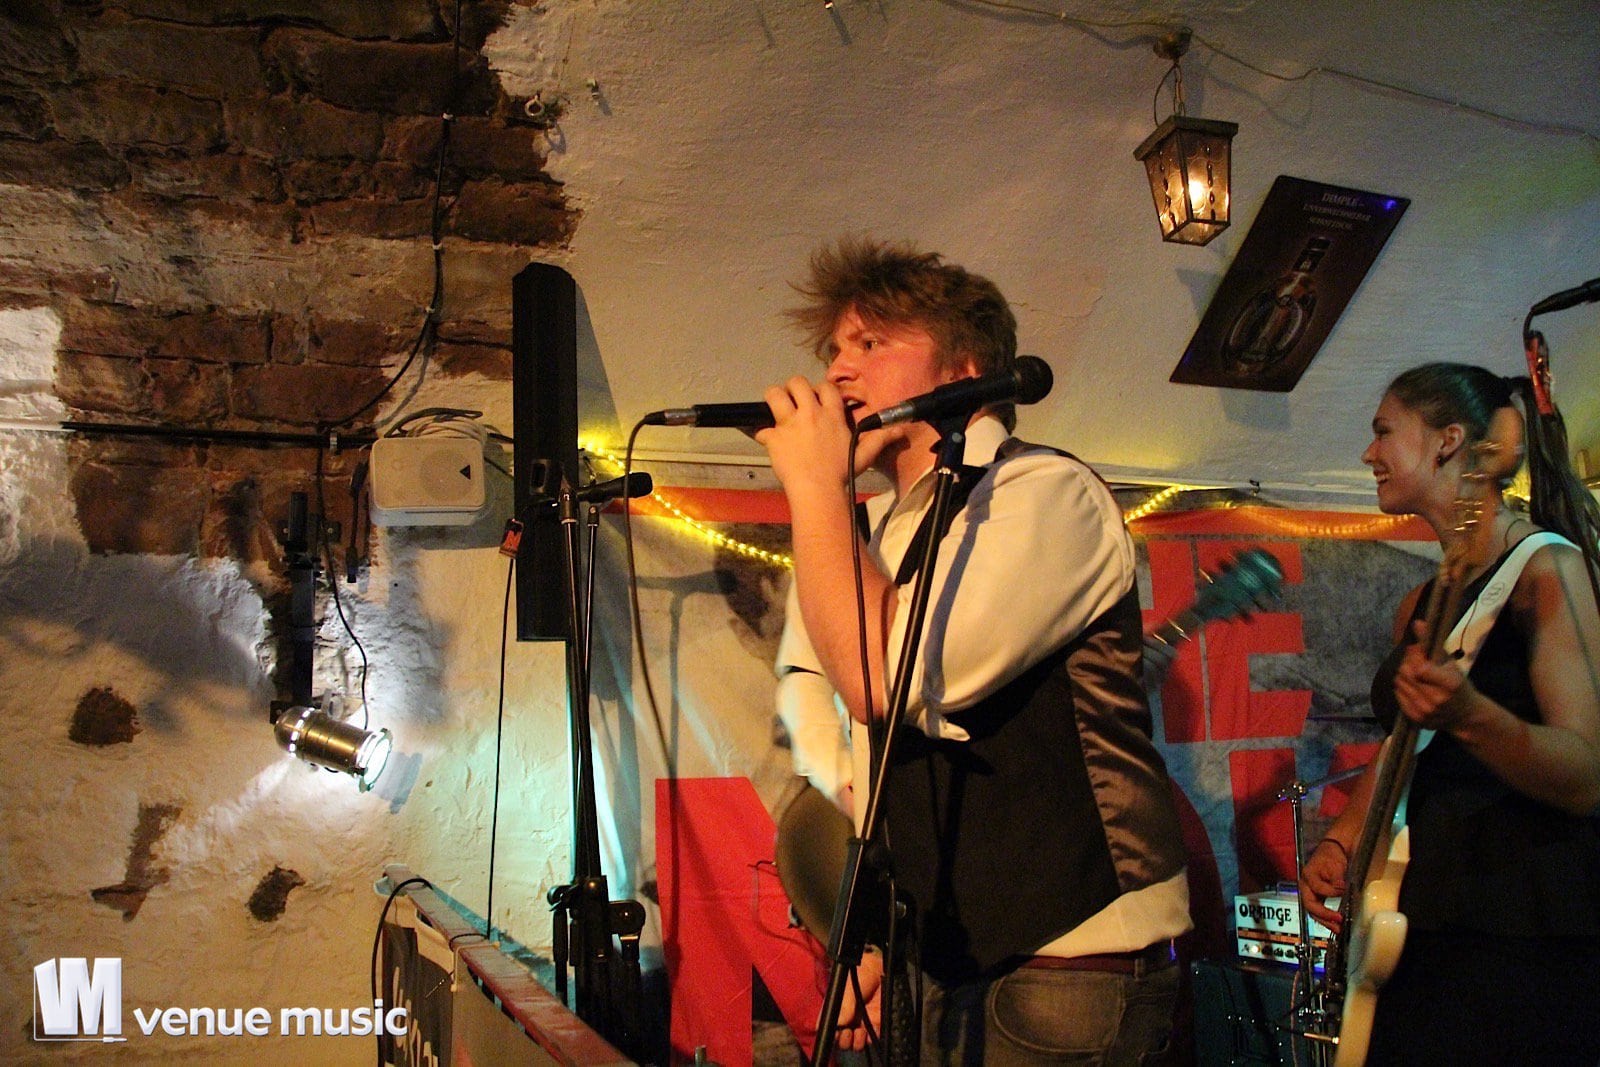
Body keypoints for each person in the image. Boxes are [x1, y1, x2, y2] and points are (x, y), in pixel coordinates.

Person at [757, 237, 1190, 1062]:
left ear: (963, 370)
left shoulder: (1043, 493)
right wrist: (882, 927)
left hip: (1067, 959)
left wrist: (815, 486)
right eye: (834, 350)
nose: (838, 371)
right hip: (941, 955)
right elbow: (826, 693)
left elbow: (889, 678)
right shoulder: (878, 529)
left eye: (871, 343)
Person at [1298, 362, 1600, 1064]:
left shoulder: (1546, 569)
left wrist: (1471, 714)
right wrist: (1345, 838)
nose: (1369, 453)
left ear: (1449, 441)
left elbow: (1588, 772)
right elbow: (1408, 745)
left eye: (1383, 432)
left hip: (1521, 933)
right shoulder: (1424, 601)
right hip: (1427, 917)